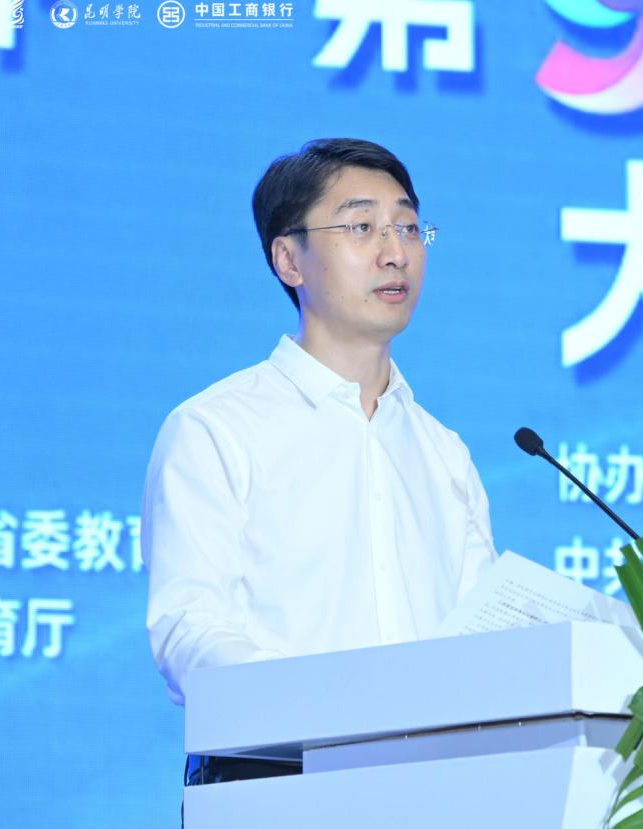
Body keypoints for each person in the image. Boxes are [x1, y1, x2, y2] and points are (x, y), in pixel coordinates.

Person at [142, 138, 497, 788]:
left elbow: (477, 636)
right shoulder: (217, 428)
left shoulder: (443, 451)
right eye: (361, 227)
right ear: (289, 259)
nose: (395, 252)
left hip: (435, 789)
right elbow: (187, 627)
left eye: (408, 228)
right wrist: (328, 708)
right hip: (274, 782)